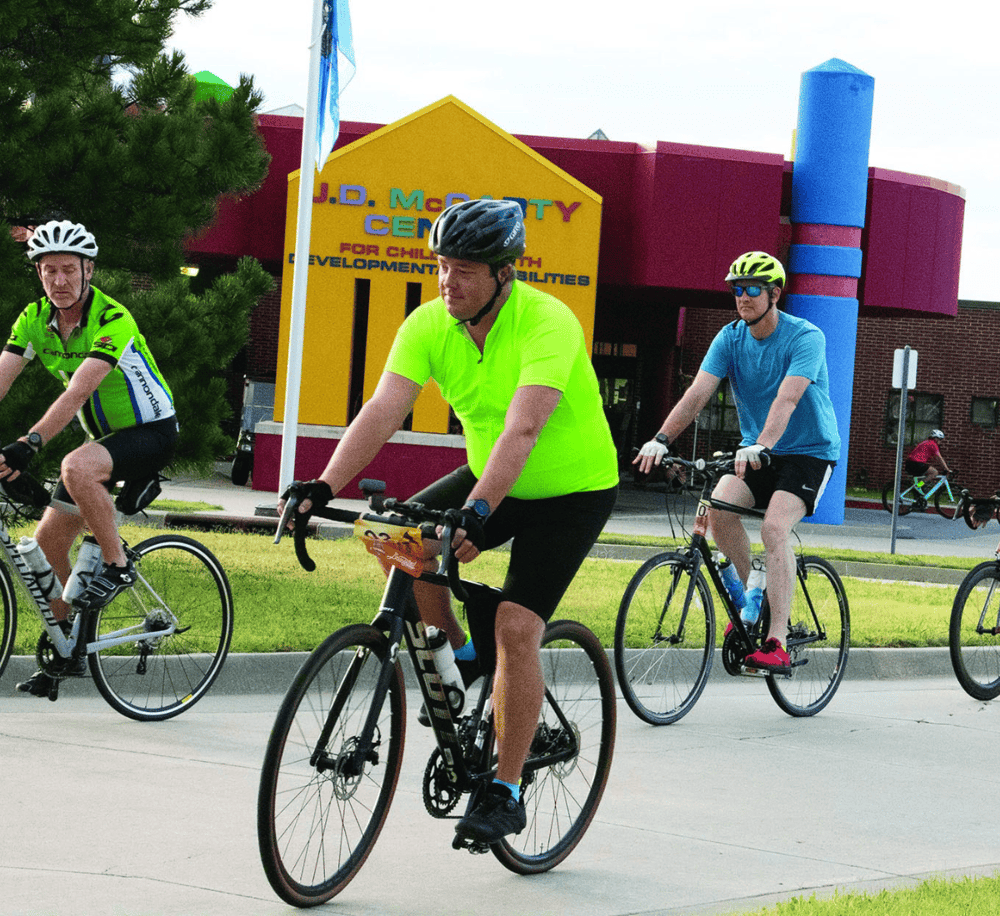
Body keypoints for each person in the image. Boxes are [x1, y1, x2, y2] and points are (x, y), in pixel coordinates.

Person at [281, 198, 618, 844]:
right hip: (491, 476)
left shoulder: (548, 322)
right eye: (441, 265)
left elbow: (523, 429)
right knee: (394, 538)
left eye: (464, 269)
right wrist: (324, 484)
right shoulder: (428, 325)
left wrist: (478, 514)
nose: (447, 281)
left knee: (519, 627)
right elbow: (383, 408)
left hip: (571, 489)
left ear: (503, 274)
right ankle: (462, 655)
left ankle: (506, 788)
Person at [634, 251, 840, 672]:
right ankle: (755, 602)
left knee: (774, 527)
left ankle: (777, 640)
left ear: (774, 294)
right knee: (719, 512)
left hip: (808, 453)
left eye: (751, 290)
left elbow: (788, 398)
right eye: (736, 289)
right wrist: (660, 438)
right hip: (756, 450)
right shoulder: (729, 338)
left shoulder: (806, 337)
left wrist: (762, 445)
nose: (742, 297)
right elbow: (696, 394)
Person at [0, 220, 178, 696]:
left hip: (151, 432)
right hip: (106, 440)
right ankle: (68, 650)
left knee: (76, 465)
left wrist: (30, 442)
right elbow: (3, 375)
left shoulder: (112, 318)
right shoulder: (34, 319)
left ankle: (119, 566)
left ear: (89, 270)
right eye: (48, 270)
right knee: (45, 546)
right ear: (38, 273)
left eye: (68, 270)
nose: (58, 280)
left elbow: (79, 391)